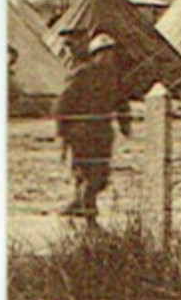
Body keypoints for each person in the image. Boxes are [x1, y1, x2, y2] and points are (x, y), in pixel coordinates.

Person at [55, 33, 132, 220]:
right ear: (94, 55)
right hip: (81, 131)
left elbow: (121, 102)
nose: (108, 58)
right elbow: (63, 104)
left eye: (111, 53)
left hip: (103, 130)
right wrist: (63, 132)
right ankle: (87, 208)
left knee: (101, 173)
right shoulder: (81, 75)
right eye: (103, 53)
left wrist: (125, 124)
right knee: (85, 171)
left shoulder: (114, 78)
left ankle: (80, 203)